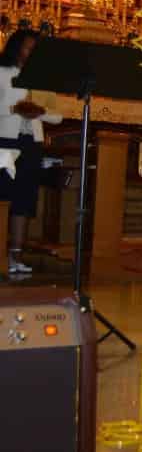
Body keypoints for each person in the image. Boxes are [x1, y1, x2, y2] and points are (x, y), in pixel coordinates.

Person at [0, 30, 61, 274]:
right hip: (5, 139)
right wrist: (14, 109)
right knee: (3, 195)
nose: (31, 52)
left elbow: (57, 116)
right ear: (16, 48)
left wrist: (40, 112)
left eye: (35, 49)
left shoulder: (42, 78)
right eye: (27, 47)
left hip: (30, 142)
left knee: (23, 198)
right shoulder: (2, 73)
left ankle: (16, 254)